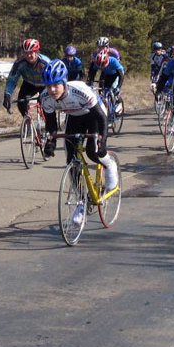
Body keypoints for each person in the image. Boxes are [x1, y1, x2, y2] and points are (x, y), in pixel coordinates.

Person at [38, 59, 119, 224]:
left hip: (95, 115)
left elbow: (101, 117)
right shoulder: (45, 98)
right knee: (71, 159)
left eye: (56, 85)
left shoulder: (80, 91)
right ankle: (81, 203)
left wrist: (101, 141)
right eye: (48, 86)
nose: (52, 90)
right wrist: (50, 142)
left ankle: (110, 164)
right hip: (74, 117)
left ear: (63, 82)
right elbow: (51, 124)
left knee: (93, 151)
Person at [3, 38, 50, 116]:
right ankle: (27, 123)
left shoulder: (45, 62)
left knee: (47, 107)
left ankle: (50, 125)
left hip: (45, 85)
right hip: (29, 84)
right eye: (26, 53)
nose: (28, 55)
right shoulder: (19, 63)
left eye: (31, 52)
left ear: (36, 52)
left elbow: (53, 79)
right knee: (21, 105)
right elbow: (12, 79)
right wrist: (7, 95)